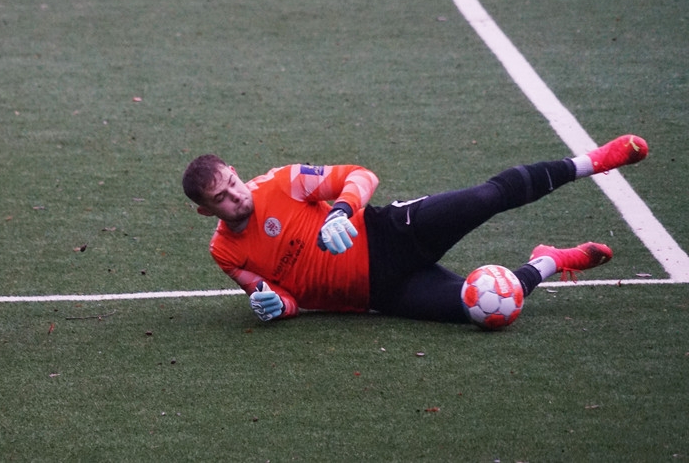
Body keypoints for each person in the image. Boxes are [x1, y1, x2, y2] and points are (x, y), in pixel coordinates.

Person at [182, 135, 648, 324]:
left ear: (235, 172)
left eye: (232, 183)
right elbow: (277, 297)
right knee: (488, 311)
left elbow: (360, 175)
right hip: (383, 295)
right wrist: (273, 306)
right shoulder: (225, 253)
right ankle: (548, 261)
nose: (236, 196)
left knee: (486, 198)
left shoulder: (282, 183)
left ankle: (592, 162)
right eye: (221, 197)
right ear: (207, 211)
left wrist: (341, 210)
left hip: (390, 233)